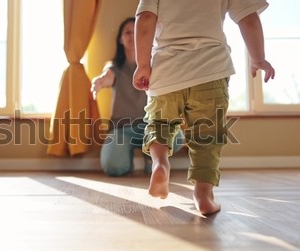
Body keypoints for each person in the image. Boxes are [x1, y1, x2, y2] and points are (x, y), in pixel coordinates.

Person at [133, 0, 275, 215]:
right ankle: (203, 194)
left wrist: (143, 65)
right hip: (211, 69)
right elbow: (249, 19)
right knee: (207, 135)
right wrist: (258, 59)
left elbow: (144, 19)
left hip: (166, 70)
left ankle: (160, 163)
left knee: (159, 124)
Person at [91, 17, 184, 177]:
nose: (131, 36)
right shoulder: (114, 67)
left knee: (177, 137)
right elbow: (107, 76)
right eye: (127, 32)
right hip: (121, 130)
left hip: (150, 128)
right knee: (113, 167)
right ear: (120, 39)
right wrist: (99, 82)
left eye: (136, 32)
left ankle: (151, 156)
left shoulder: (155, 65)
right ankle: (126, 158)